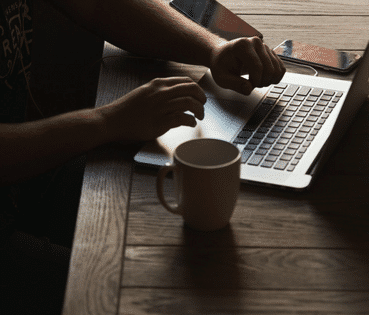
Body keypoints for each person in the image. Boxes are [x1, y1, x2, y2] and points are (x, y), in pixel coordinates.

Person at [0, 0, 285, 313]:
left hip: (24, 180)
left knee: (171, 221)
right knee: (138, 293)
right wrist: (109, 121)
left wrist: (215, 49)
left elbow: (100, 7)